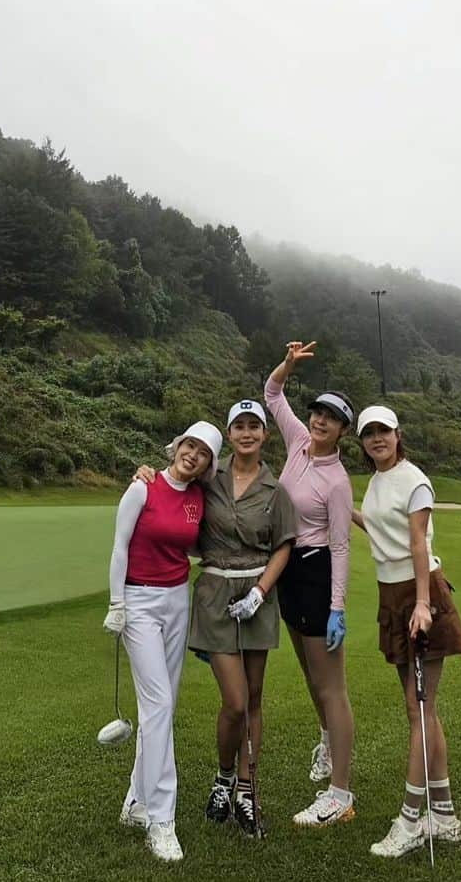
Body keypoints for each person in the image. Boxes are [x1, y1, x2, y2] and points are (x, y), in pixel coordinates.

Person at [134, 399, 297, 838]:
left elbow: (284, 545)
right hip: (215, 596)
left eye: (254, 427)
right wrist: (146, 473)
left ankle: (246, 788)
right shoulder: (210, 478)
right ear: (229, 434)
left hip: (257, 595)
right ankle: (225, 775)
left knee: (256, 698)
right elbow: (174, 483)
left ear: (264, 435)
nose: (246, 433)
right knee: (236, 701)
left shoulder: (274, 488)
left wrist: (261, 592)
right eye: (238, 426)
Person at [351, 404, 461, 859]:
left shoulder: (415, 480)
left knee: (419, 709)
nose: (377, 439)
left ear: (399, 434)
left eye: (384, 431)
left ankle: (411, 819)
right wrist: (348, 511)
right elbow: (383, 531)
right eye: (369, 434)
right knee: (422, 711)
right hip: (392, 594)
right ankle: (445, 816)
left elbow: (419, 542)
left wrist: (422, 603)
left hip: (420, 594)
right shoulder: (379, 482)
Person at [104, 421, 222, 864]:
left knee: (164, 704)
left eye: (203, 453)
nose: (193, 454)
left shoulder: (198, 499)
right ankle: (161, 819)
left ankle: (136, 802)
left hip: (177, 599)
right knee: (157, 705)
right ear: (177, 447)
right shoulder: (143, 487)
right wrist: (117, 603)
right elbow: (119, 547)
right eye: (189, 445)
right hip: (138, 602)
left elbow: (191, 547)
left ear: (208, 464)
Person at [264, 340, 357, 827]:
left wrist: (337, 607)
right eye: (317, 413)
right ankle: (326, 741)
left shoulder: (338, 481)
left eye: (331, 418)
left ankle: (340, 794)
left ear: (343, 431)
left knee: (331, 686)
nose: (319, 421)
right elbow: (272, 394)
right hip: (290, 571)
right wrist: (288, 365)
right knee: (307, 673)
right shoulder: (299, 441)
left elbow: (341, 546)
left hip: (318, 573)